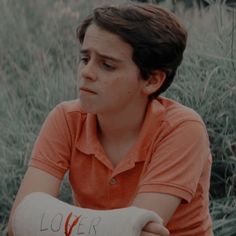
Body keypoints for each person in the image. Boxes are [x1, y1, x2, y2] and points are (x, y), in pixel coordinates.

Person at [8, 2, 213, 236]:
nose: (86, 72)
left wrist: (50, 223)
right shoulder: (66, 119)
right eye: (85, 59)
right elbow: (19, 224)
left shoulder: (182, 128)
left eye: (107, 65)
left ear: (152, 80)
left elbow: (133, 229)